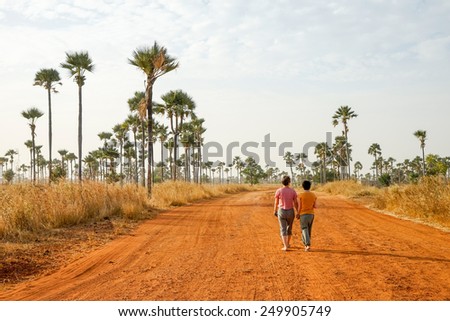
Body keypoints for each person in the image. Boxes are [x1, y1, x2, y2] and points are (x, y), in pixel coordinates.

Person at [273, 176, 299, 251]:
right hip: (290, 211)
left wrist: (275, 210)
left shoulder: (279, 191)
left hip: (281, 211)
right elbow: (295, 202)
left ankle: (285, 246)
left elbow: (276, 202)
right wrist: (297, 212)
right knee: (289, 228)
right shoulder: (292, 191)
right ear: (289, 182)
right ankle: (287, 243)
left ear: (282, 182)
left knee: (283, 229)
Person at [296, 180, 317, 252]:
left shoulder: (300, 195)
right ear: (310, 186)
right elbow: (315, 206)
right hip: (311, 214)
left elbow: (299, 207)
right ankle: (306, 245)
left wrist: (298, 213)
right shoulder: (313, 195)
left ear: (303, 186)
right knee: (309, 229)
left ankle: (307, 245)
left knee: (304, 228)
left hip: (303, 214)